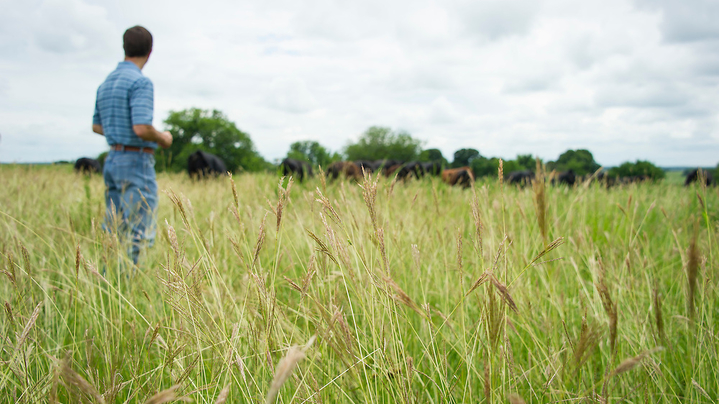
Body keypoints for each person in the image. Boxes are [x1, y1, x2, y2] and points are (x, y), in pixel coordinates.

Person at [92, 26, 173, 265]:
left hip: (112, 159)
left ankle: (109, 279)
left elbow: (97, 126)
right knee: (141, 229)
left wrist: (118, 132)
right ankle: (133, 283)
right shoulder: (141, 83)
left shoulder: (106, 83)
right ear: (150, 51)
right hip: (136, 161)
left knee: (114, 225)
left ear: (124, 48)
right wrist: (164, 138)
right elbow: (141, 128)